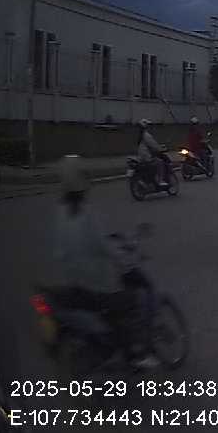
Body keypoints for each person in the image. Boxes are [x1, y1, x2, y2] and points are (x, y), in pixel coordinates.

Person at [53, 155, 159, 370]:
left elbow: (62, 250)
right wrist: (126, 261)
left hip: (74, 280)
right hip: (98, 281)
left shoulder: (62, 212)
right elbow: (103, 246)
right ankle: (135, 356)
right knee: (129, 303)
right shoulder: (85, 213)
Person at [135, 119, 169, 189]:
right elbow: (154, 145)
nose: (151, 128)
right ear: (146, 127)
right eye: (149, 126)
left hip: (141, 157)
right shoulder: (146, 135)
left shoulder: (141, 135)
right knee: (160, 162)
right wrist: (161, 149)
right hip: (147, 157)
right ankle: (160, 181)